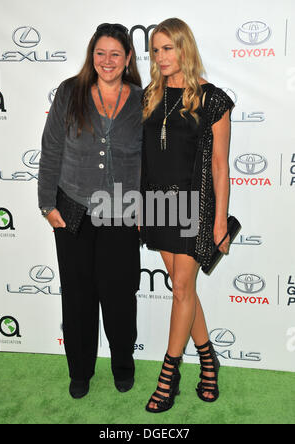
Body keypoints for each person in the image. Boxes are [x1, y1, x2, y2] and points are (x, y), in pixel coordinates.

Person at [38, 23, 143, 399]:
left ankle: (122, 365)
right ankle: (80, 372)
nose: (108, 60)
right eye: (101, 53)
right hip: (72, 210)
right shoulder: (71, 91)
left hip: (121, 213)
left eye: (116, 53)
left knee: (119, 296)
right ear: (91, 55)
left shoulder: (141, 99)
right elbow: (51, 148)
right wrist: (47, 203)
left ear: (128, 58)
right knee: (78, 297)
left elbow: (147, 160)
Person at [140, 18, 234, 412]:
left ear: (184, 48)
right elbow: (143, 158)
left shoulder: (212, 99)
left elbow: (219, 165)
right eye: (156, 50)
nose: (161, 57)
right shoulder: (149, 96)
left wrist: (220, 222)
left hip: (196, 207)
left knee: (180, 289)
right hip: (158, 206)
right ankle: (208, 359)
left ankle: (169, 376)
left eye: (168, 48)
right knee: (184, 290)